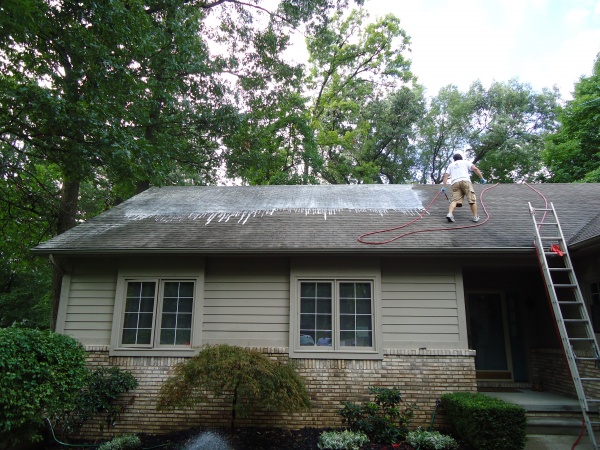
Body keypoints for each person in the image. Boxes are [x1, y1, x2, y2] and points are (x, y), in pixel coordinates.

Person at [441, 154, 485, 223]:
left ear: (454, 159)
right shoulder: (465, 162)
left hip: (455, 183)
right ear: (461, 158)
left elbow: (446, 176)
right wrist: (481, 178)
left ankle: (449, 214)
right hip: (465, 181)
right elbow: (475, 169)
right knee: (471, 199)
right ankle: (475, 217)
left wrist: (444, 186)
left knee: (454, 200)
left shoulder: (451, 165)